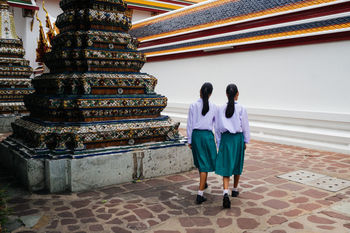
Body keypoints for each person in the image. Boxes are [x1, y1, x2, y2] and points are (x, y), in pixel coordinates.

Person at [215, 84, 250, 208]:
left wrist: (219, 143)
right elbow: (245, 126)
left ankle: (225, 192)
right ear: (237, 94)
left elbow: (218, 127)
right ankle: (234, 189)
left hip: (226, 139)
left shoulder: (220, 108)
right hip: (237, 139)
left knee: (226, 165)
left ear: (226, 94)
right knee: (237, 163)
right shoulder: (241, 108)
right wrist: (246, 141)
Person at [187, 82, 217, 205]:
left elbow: (189, 124)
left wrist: (189, 140)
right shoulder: (214, 106)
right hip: (208, 136)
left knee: (201, 162)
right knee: (204, 162)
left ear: (200, 91)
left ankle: (201, 188)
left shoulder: (193, 105)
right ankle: (201, 190)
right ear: (210, 93)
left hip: (197, 136)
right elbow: (216, 124)